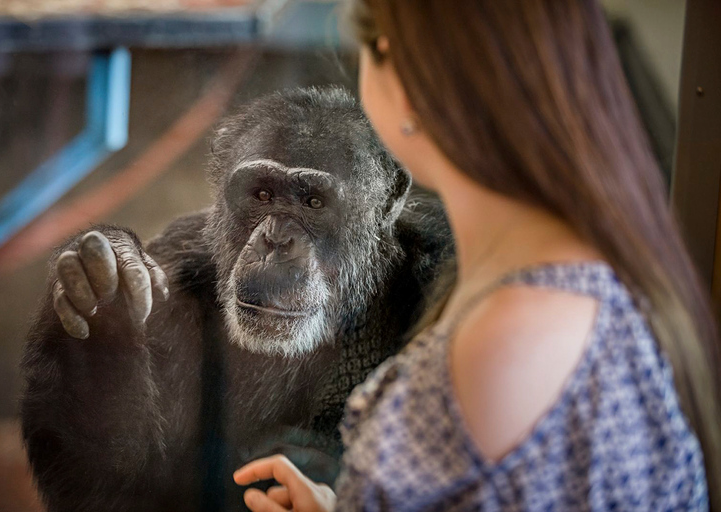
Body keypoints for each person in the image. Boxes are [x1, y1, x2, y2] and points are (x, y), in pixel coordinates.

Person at [233, 0, 721, 510]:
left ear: (402, 76)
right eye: (261, 197)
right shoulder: (617, 268)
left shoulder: (490, 357)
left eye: (312, 201)